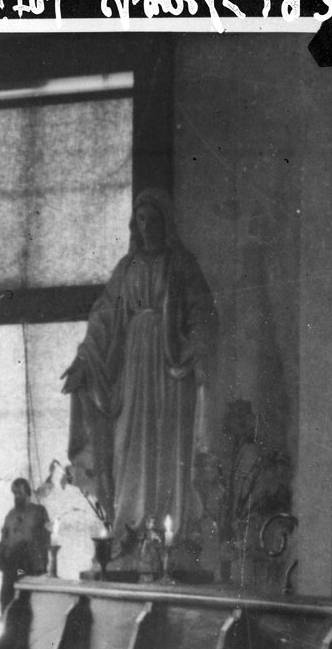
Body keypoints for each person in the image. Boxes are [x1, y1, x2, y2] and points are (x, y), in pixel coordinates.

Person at [61, 189, 216, 551]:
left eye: (153, 219)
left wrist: (196, 347)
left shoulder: (181, 264)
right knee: (130, 439)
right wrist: (85, 358)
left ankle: (168, 529)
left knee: (166, 441)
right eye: (140, 220)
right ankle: (130, 525)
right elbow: (103, 316)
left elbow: (202, 312)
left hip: (170, 366)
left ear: (165, 222)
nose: (147, 227)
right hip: (132, 365)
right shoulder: (126, 268)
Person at [0, 477, 51, 612]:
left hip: (30, 567)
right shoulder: (10, 515)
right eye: (14, 493)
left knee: (29, 601)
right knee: (7, 599)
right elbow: (4, 538)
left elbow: (46, 538)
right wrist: (2, 554)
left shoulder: (38, 511)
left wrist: (41, 563)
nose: (16, 496)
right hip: (12, 568)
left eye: (19, 493)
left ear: (28, 493)